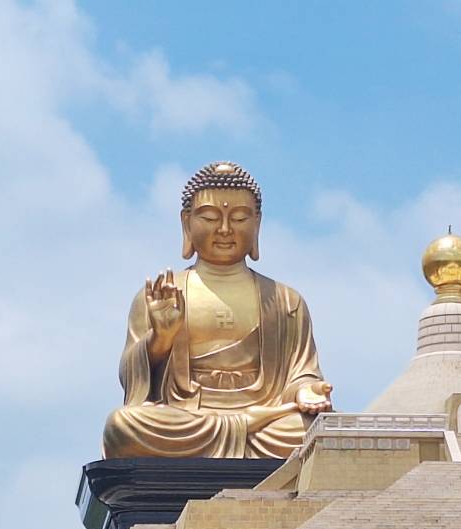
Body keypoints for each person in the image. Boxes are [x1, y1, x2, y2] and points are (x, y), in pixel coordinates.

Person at [103, 161, 332, 459]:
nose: (224, 229)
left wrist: (306, 392)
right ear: (186, 223)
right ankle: (237, 436)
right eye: (210, 217)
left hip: (267, 422)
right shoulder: (161, 295)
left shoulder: (286, 301)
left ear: (257, 223)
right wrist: (161, 337)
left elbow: (301, 374)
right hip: (187, 418)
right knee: (123, 425)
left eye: (239, 218)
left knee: (322, 432)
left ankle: (244, 435)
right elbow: (132, 379)